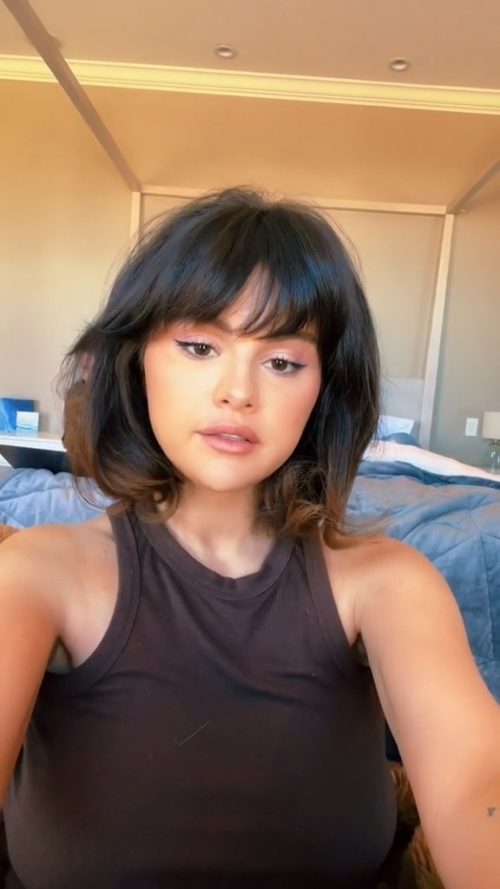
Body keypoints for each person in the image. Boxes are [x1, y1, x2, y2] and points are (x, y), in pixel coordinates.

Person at [0, 187, 498, 889]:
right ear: (135, 360)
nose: (238, 391)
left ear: (325, 388)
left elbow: (480, 785)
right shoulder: (37, 573)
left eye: (283, 361)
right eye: (200, 346)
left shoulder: (388, 581)